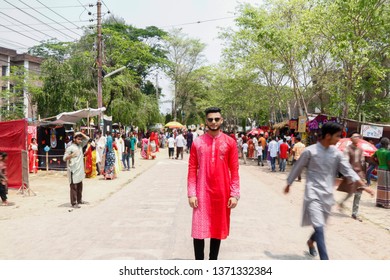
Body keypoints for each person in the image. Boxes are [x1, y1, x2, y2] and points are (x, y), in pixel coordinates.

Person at [284, 122, 368, 260]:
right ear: (328, 136)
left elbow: (347, 169)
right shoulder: (310, 151)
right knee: (319, 226)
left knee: (320, 226)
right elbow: (297, 167)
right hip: (312, 194)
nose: (339, 139)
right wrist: (289, 183)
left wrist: (362, 184)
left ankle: (311, 241)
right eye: (337, 136)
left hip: (327, 195)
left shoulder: (336, 153)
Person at [188, 107, 240, 260]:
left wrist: (235, 195)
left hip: (221, 193)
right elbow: (192, 169)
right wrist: (192, 193)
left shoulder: (230, 142)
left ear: (221, 120)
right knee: (199, 229)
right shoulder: (197, 142)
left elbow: (234, 170)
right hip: (202, 192)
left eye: (216, 119)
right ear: (206, 121)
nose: (213, 122)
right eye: (210, 119)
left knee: (216, 229)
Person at [338, 132, 375, 221]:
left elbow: (362, 162)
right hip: (351, 173)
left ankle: (355, 213)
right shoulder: (347, 149)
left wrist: (364, 174)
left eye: (358, 137)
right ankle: (342, 203)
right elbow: (345, 162)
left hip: (359, 174)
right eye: (355, 136)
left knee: (358, 193)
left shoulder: (360, 150)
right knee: (351, 192)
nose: (357, 138)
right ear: (351, 139)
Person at [63, 132, 89, 208]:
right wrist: (71, 155)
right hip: (73, 170)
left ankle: (79, 200)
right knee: (73, 187)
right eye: (78, 139)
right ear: (74, 139)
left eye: (81, 139)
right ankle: (74, 203)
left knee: (80, 186)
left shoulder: (80, 146)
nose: (80, 141)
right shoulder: (70, 148)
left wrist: (81, 133)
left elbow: (87, 139)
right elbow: (64, 158)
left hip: (80, 170)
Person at [371, 137, 390, 209]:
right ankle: (386, 204)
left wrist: (378, 163)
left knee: (380, 186)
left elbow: (371, 158)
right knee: (387, 187)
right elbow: (389, 163)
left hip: (380, 169)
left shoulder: (378, 151)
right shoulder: (388, 152)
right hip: (386, 170)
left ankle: (379, 202)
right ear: (387, 144)